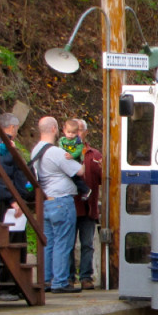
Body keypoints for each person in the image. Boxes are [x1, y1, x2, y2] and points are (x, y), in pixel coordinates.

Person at [30, 117, 84, 294]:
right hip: (61, 200)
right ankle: (60, 281)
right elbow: (79, 170)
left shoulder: (35, 150)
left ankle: (46, 279)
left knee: (49, 242)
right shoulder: (56, 152)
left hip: (45, 200)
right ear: (54, 129)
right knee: (63, 242)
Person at [0, 113, 33, 302]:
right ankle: (5, 285)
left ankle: (16, 284)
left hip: (14, 199)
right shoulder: (2, 148)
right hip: (7, 203)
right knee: (9, 243)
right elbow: (3, 176)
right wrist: (12, 199)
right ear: (11, 128)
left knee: (17, 242)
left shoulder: (6, 146)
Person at [69, 118, 102, 290]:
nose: (77, 134)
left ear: (86, 132)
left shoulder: (94, 154)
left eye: (80, 130)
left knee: (87, 243)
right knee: (68, 243)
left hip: (89, 207)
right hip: (70, 206)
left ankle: (86, 277)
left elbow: (103, 178)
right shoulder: (63, 152)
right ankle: (68, 277)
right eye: (74, 131)